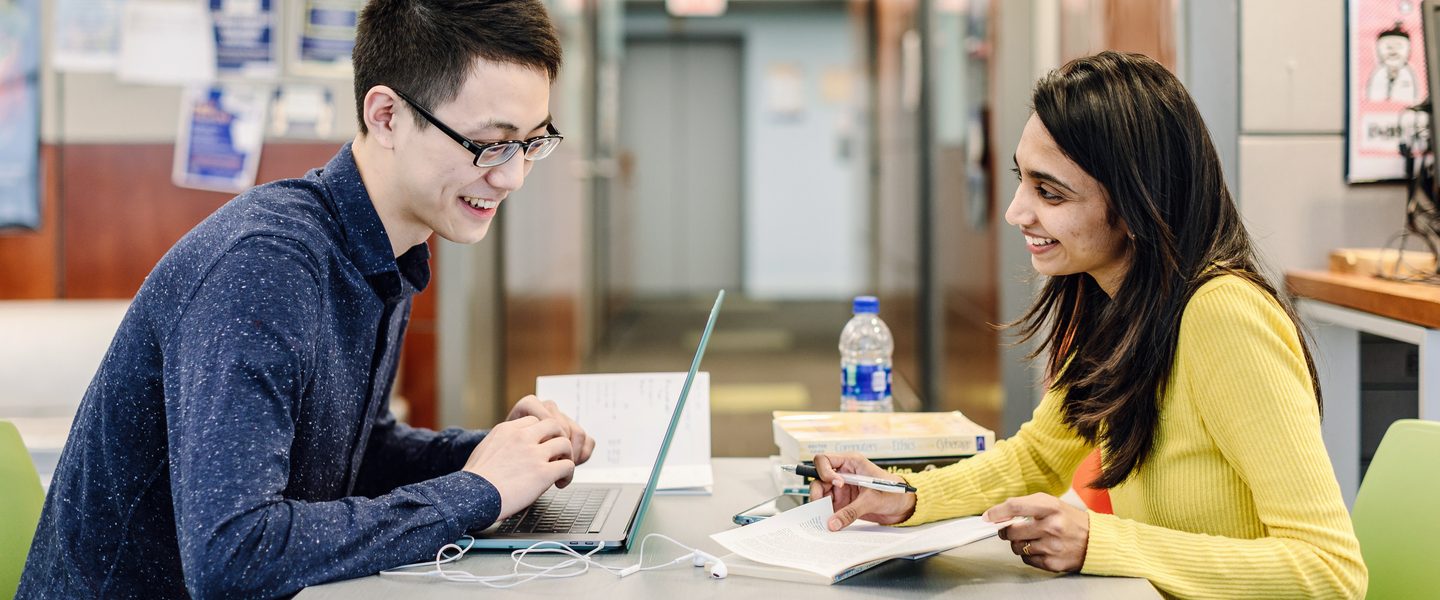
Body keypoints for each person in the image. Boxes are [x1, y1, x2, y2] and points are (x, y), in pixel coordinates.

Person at [18, 1, 594, 597]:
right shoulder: (264, 267)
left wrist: (506, 456)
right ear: (387, 116)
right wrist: (477, 492)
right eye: (488, 144)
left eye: (532, 143)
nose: (513, 176)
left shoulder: (382, 247)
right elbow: (234, 556)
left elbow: (353, 453)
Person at [810, 51, 1367, 599]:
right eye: (1021, 180)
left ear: (1135, 202)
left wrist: (1100, 541)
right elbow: (1038, 458)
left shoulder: (1223, 316)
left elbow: (1330, 570)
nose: (1016, 212)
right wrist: (904, 495)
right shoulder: (1118, 303)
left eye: (1049, 192)